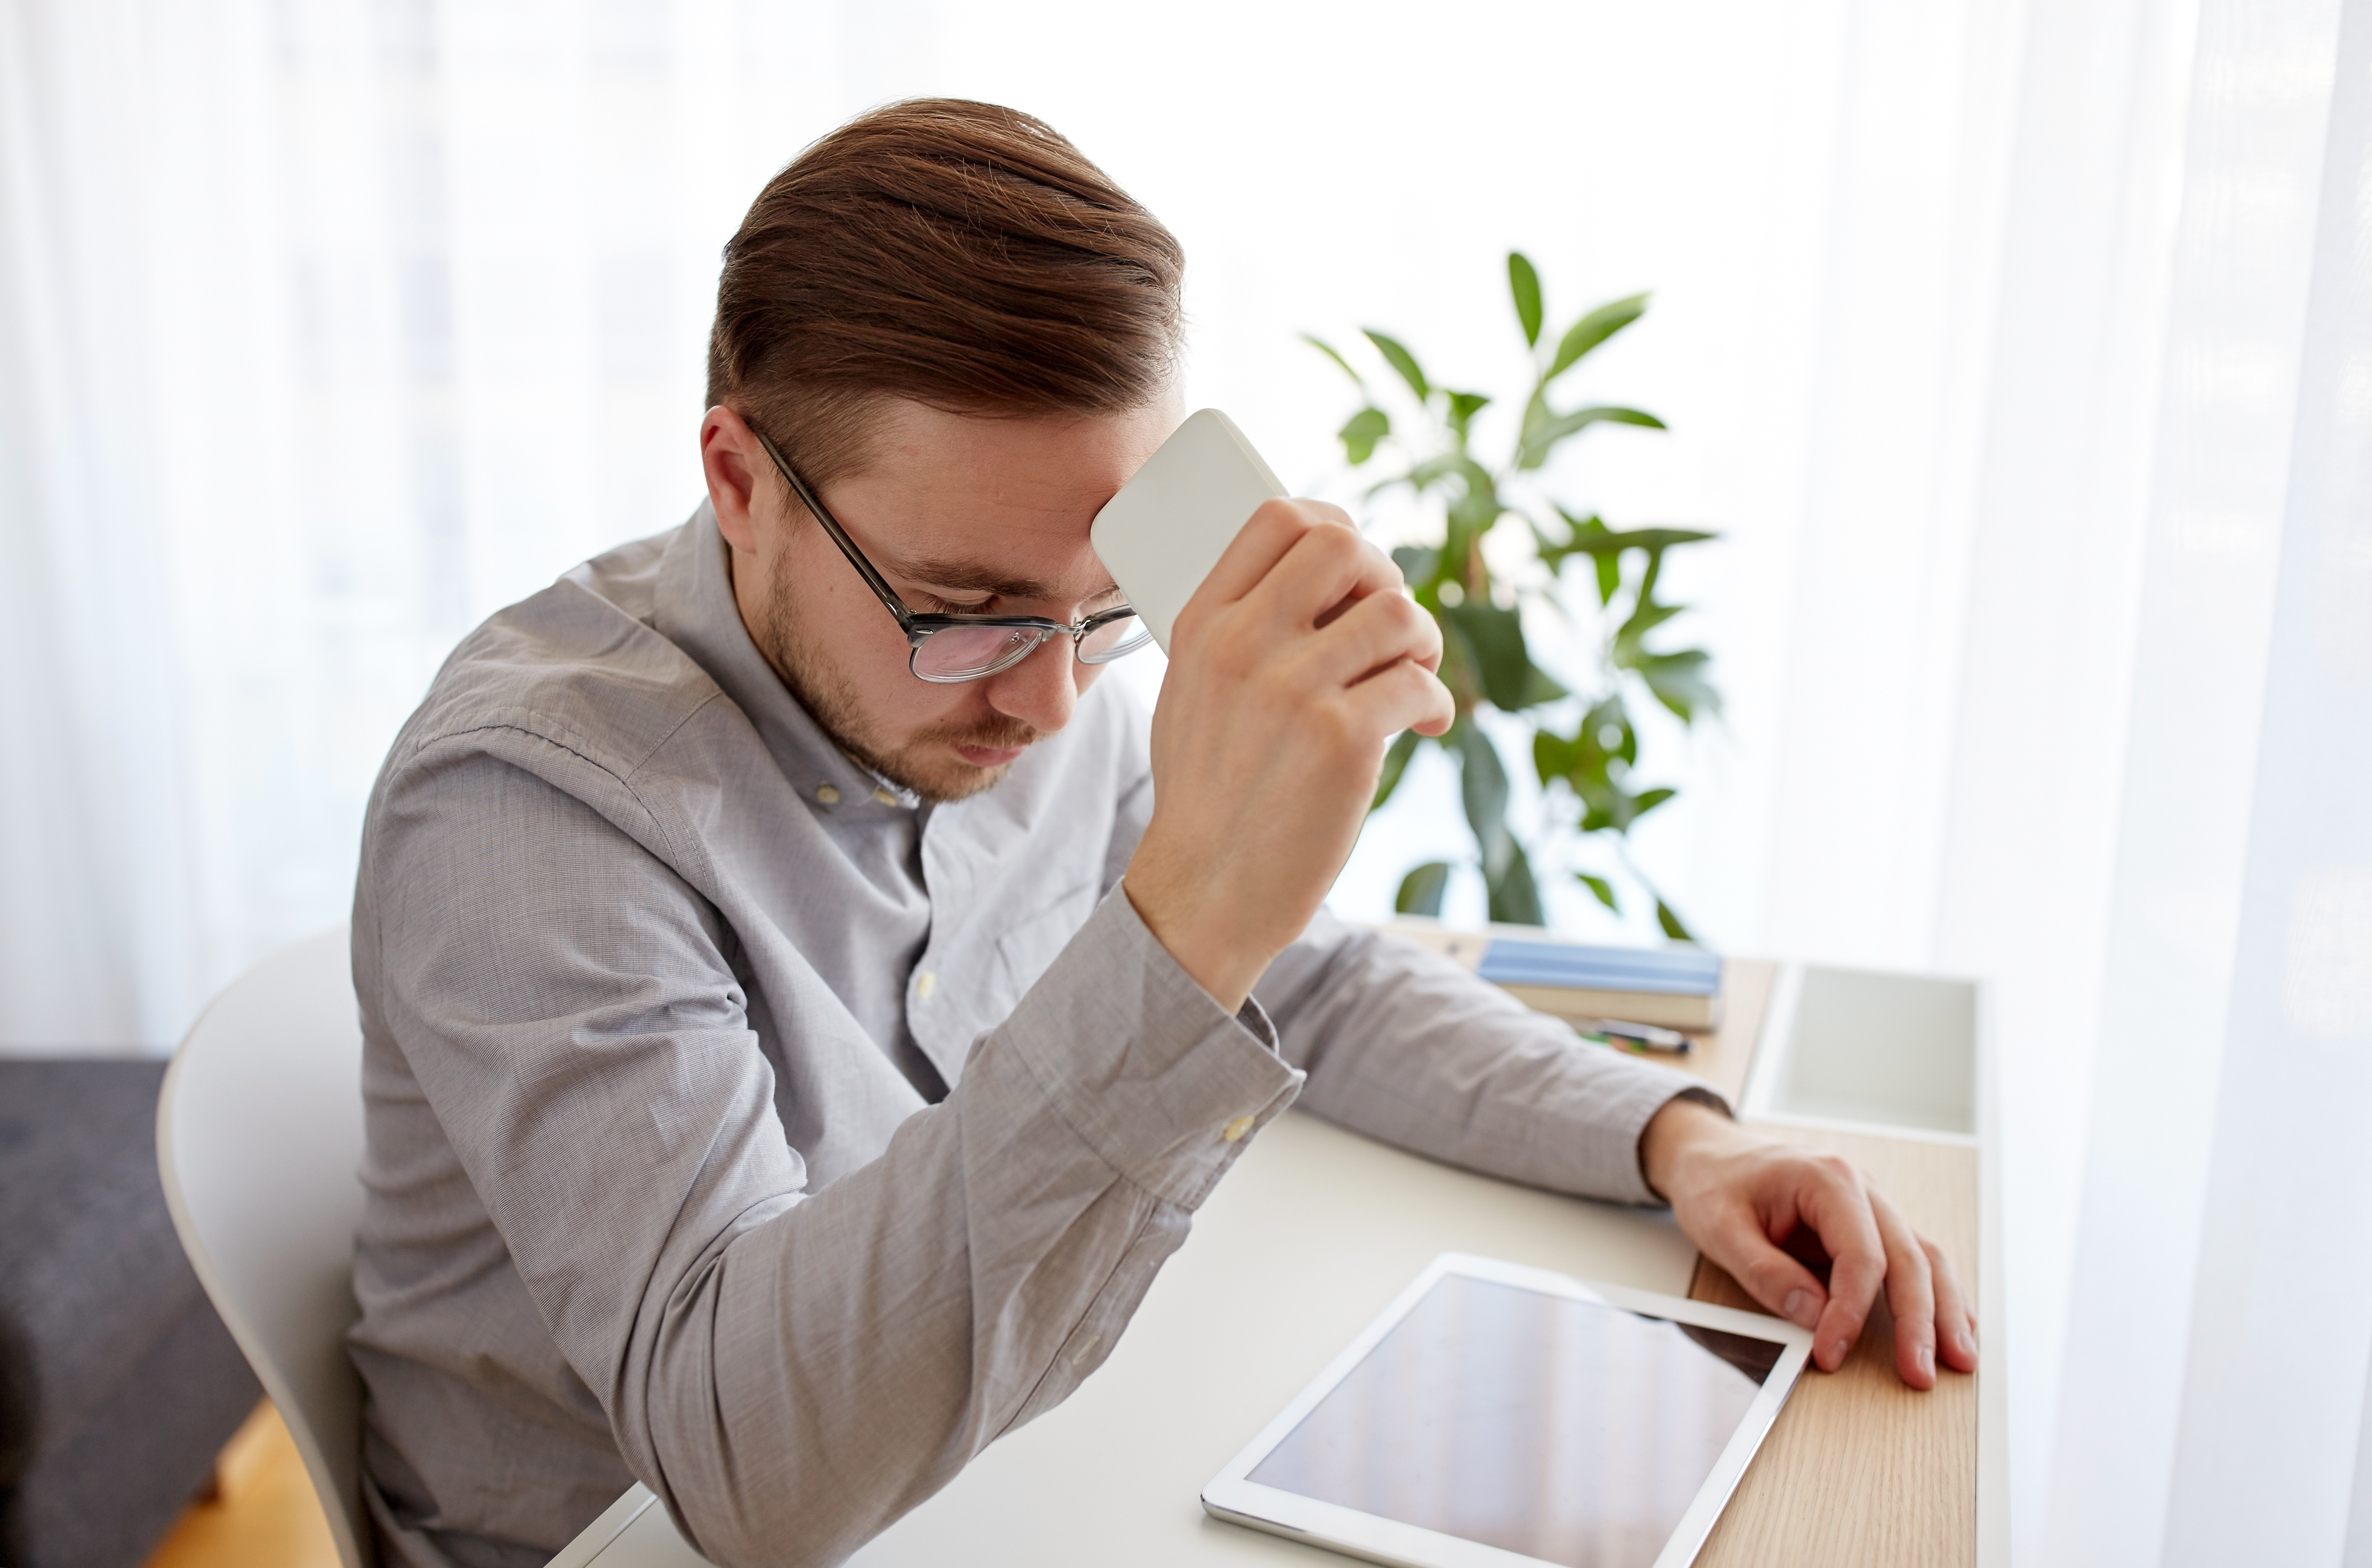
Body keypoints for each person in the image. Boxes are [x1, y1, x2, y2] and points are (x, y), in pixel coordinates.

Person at [347, 98, 1976, 1568]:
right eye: (970, 612)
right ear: (738, 476)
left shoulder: (1006, 662)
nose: (1055, 708)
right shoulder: (532, 810)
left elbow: (1311, 984)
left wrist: (1677, 1136)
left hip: (971, 1460)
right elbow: (752, 1470)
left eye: (1105, 610)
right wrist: (1190, 908)